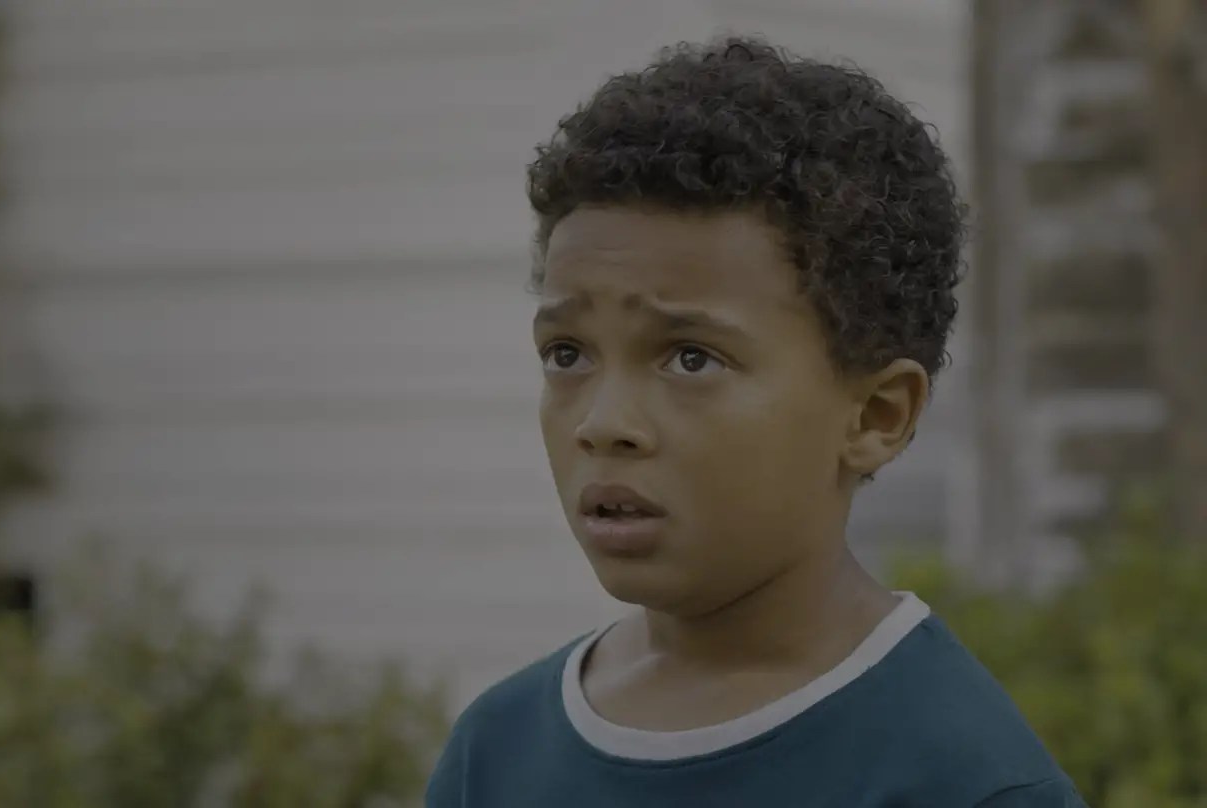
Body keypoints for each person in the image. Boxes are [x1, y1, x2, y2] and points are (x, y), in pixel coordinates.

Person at [425, 37, 1084, 807]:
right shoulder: (495, 754)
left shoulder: (968, 784)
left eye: (690, 359)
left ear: (875, 415)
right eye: (567, 354)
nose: (603, 424)